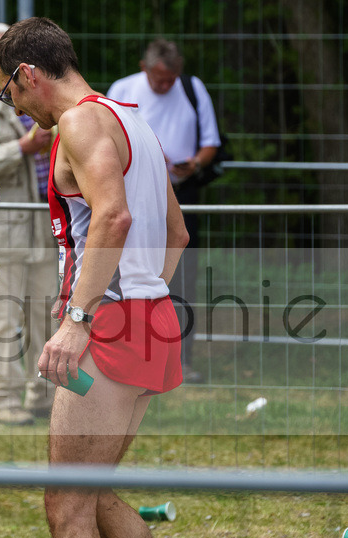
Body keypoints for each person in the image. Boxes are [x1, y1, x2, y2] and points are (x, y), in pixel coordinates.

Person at [0, 18, 228, 538]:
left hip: (112, 323)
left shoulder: (81, 124)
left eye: (11, 92)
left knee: (64, 503)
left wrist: (80, 318)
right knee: (87, 495)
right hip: (146, 318)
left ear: (29, 74)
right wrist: (142, 300)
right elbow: (176, 232)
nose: (15, 107)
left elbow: (116, 217)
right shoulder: (133, 122)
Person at [0, 23, 60, 426]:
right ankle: (3, 402)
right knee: (3, 317)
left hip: (42, 224)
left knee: (47, 314)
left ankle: (44, 397)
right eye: (1, 53)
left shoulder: (34, 94)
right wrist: (23, 147)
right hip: (1, 228)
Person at [106, 39, 221, 384]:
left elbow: (211, 142)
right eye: (159, 78)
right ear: (145, 67)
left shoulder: (193, 88)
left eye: (172, 78)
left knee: (184, 277)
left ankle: (181, 359)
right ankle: (132, 352)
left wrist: (194, 164)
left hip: (182, 192)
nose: (166, 84)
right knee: (130, 273)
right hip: (135, 194)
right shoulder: (123, 88)